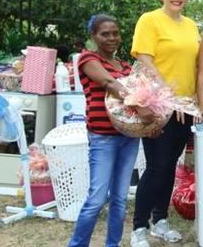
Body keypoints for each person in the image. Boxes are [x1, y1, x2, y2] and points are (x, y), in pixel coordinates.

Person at [129, 0, 200, 247]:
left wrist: (191, 98)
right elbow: (145, 60)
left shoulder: (191, 25)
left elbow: (192, 66)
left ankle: (160, 221)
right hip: (159, 106)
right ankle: (138, 227)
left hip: (186, 108)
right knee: (157, 167)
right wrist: (168, 95)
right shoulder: (150, 21)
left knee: (171, 166)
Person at [68, 14, 139, 247]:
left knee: (119, 198)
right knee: (97, 199)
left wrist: (151, 123)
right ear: (94, 37)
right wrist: (141, 103)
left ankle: (113, 244)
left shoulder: (127, 67)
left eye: (115, 33)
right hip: (102, 138)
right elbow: (109, 84)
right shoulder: (88, 58)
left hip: (128, 138)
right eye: (105, 34)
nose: (111, 38)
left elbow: (135, 108)